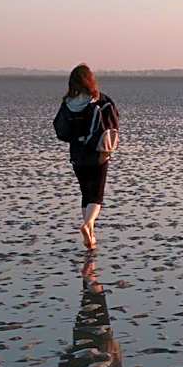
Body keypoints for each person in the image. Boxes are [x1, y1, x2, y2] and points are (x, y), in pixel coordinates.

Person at [53, 64, 120, 250]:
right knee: (96, 195)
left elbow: (61, 130)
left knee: (85, 193)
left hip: (77, 155)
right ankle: (88, 225)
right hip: (98, 154)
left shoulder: (68, 103)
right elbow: (113, 124)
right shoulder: (101, 100)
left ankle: (91, 236)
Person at [59, 254, 123, 367]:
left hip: (102, 339)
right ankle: (89, 264)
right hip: (81, 337)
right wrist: (71, 349)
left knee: (97, 300)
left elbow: (116, 363)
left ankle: (90, 259)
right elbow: (64, 362)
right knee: (89, 301)